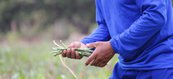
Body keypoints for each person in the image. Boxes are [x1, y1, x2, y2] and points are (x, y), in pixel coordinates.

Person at [62, 0, 173, 79]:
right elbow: (106, 26)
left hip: (158, 67)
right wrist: (85, 45)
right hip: (127, 68)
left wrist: (114, 46)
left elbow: (155, 16)